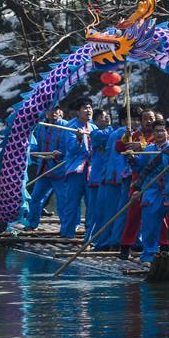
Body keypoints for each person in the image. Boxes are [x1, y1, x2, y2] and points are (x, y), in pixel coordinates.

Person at [129, 120, 169, 263]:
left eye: (162, 130)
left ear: (168, 132)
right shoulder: (148, 149)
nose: (159, 133)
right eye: (157, 131)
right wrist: (132, 159)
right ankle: (149, 254)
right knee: (149, 226)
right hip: (151, 191)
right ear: (153, 134)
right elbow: (140, 168)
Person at [116, 107, 155, 259]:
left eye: (151, 118)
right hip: (138, 180)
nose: (149, 121)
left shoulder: (158, 135)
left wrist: (143, 147)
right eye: (145, 119)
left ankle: (162, 246)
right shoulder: (134, 135)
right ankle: (125, 247)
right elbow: (119, 148)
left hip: (157, 182)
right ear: (141, 121)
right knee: (133, 215)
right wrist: (126, 137)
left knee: (160, 216)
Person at [57, 97, 97, 238]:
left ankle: (90, 233)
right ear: (78, 112)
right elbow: (72, 149)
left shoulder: (94, 127)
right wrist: (79, 138)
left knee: (92, 203)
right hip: (76, 169)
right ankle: (68, 232)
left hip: (92, 170)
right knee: (72, 202)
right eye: (85, 108)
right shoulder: (70, 127)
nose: (88, 110)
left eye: (90, 108)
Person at [93, 106, 131, 250]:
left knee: (111, 211)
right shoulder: (119, 133)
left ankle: (109, 241)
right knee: (113, 211)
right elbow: (117, 158)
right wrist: (124, 175)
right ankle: (109, 242)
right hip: (116, 177)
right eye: (131, 119)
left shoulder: (128, 133)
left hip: (115, 176)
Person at [25, 106, 66, 229]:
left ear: (61, 112)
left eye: (57, 110)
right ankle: (32, 224)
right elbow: (37, 145)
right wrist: (30, 151)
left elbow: (68, 148)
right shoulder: (41, 126)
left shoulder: (66, 126)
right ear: (46, 112)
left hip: (59, 170)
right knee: (36, 198)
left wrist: (59, 155)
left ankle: (66, 227)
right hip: (44, 170)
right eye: (51, 110)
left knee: (62, 201)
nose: (54, 113)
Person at [85, 108, 112, 241]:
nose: (106, 118)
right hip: (96, 176)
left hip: (108, 175)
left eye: (107, 116)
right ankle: (89, 237)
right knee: (93, 209)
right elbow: (104, 136)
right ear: (95, 121)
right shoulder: (95, 133)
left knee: (105, 209)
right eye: (102, 117)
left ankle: (100, 237)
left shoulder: (112, 132)